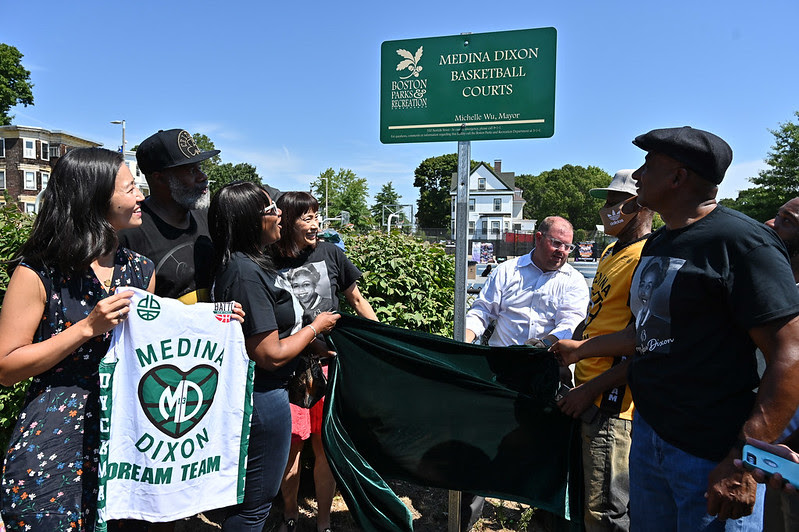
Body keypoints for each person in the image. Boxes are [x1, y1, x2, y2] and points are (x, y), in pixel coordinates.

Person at [551, 126, 799, 531]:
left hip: (712, 456)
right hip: (650, 440)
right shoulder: (660, 243)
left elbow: (790, 357)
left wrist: (745, 460)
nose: (637, 176)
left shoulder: (741, 243)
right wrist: (581, 349)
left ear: (678, 177)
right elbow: (651, 333)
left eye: (648, 164)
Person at [0, 148, 155, 531]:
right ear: (95, 199)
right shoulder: (38, 271)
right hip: (57, 431)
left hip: (127, 431)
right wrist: (86, 328)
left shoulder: (142, 270)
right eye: (131, 188)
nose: (140, 197)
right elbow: (6, 368)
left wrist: (216, 318)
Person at [209, 182, 340, 532]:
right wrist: (316, 328)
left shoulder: (253, 265)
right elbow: (269, 353)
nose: (279, 213)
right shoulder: (245, 274)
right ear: (250, 221)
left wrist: (314, 346)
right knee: (255, 505)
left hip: (270, 393)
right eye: (270, 210)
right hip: (263, 396)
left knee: (257, 501)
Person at [462, 215, 589, 530]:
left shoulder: (573, 280)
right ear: (538, 238)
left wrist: (542, 346)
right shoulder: (508, 271)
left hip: (550, 370)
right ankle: (466, 516)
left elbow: (570, 323)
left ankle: (543, 518)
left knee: (550, 450)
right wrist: (465, 338)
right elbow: (483, 309)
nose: (562, 251)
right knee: (481, 443)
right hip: (501, 369)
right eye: (556, 242)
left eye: (568, 246)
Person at [272, 191, 377, 532]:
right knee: (291, 446)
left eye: (317, 216)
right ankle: (290, 514)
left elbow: (357, 300)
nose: (316, 224)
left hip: (330, 365)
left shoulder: (332, 253)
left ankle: (324, 521)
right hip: (288, 368)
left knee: (325, 446)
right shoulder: (268, 260)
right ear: (285, 220)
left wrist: (379, 343)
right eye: (307, 217)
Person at [557, 169, 653, 531]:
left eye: (614, 201)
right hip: (586, 392)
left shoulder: (646, 256)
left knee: (605, 512)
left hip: (611, 404)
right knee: (586, 503)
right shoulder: (613, 251)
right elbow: (598, 313)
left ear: (638, 204)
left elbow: (643, 341)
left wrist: (591, 390)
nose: (606, 209)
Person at [118, 128, 219, 303]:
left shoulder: (207, 217)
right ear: (159, 178)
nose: (203, 176)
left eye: (200, 168)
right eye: (191, 170)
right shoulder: (130, 231)